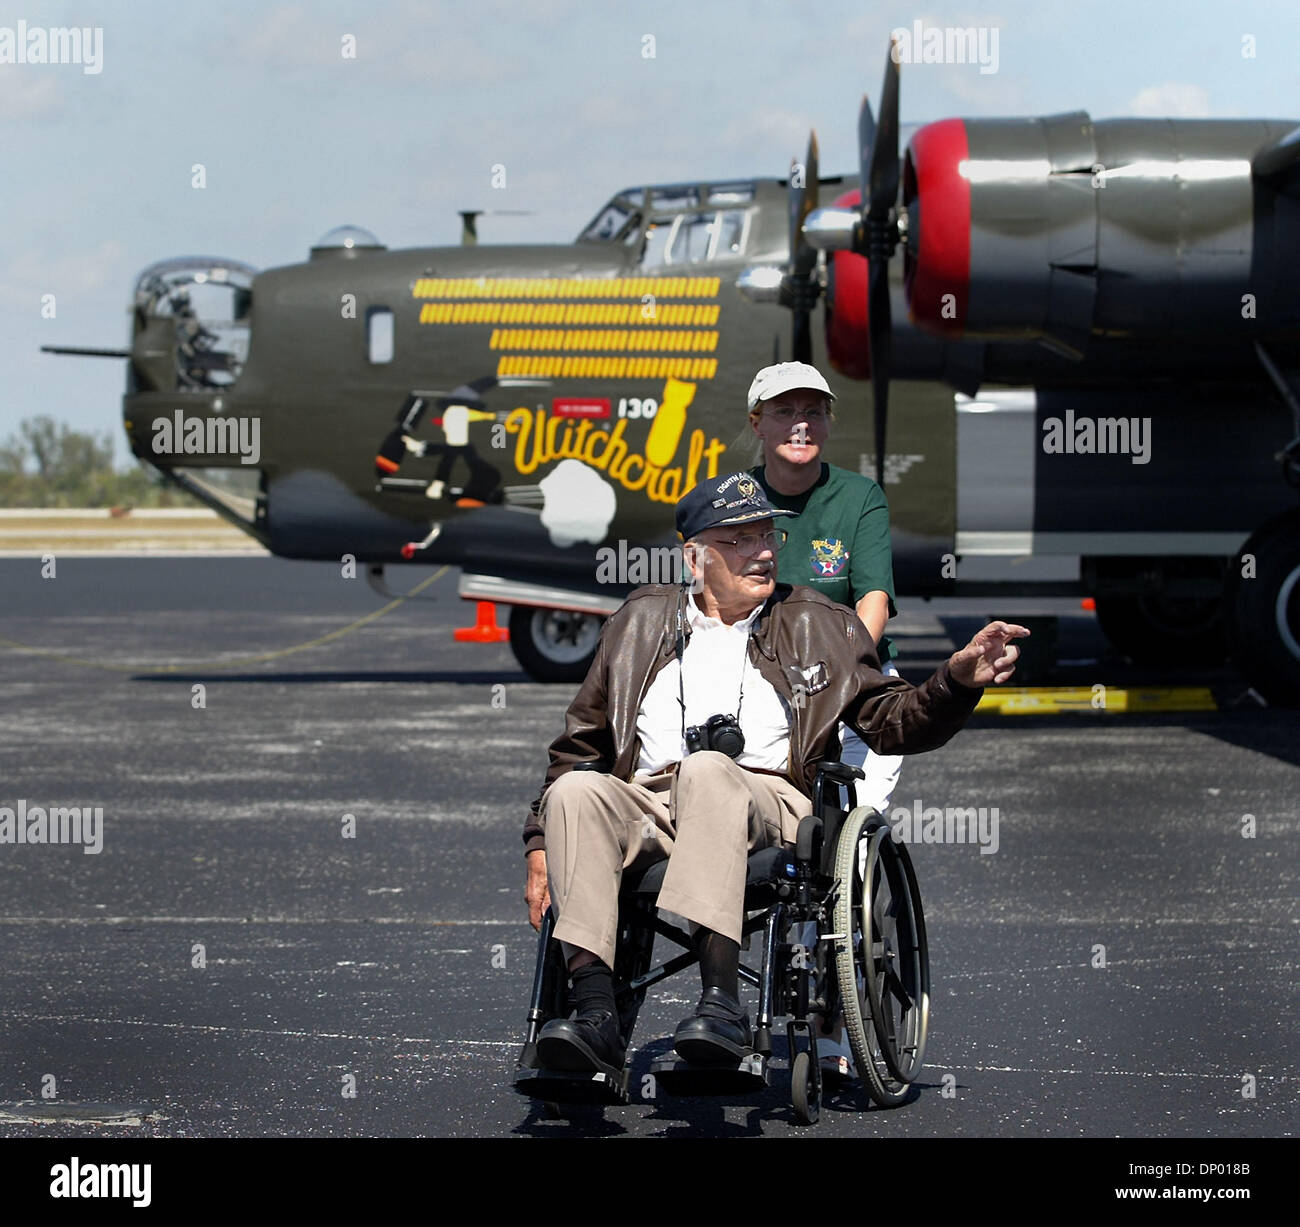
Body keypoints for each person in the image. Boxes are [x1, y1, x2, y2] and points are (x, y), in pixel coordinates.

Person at [521, 471, 1028, 1077]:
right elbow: (579, 745)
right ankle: (595, 1018)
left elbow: (890, 722)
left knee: (708, 770)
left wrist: (955, 681)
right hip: (649, 801)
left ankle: (721, 1004)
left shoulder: (818, 621)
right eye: (740, 539)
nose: (763, 551)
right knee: (576, 792)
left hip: (767, 799)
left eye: (768, 535)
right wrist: (539, 843)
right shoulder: (639, 620)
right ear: (695, 556)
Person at [747, 360, 903, 1081]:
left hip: (854, 691)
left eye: (814, 410)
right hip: (762, 689)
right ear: (758, 424)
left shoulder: (859, 497)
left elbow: (872, 601)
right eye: (784, 411)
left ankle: (837, 1014)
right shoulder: (734, 500)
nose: (800, 422)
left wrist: (837, 682)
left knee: (843, 842)